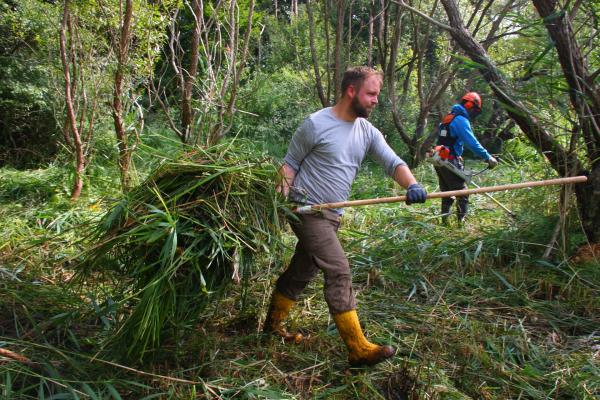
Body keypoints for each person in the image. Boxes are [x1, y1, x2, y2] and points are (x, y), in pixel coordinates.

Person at [263, 66, 427, 367]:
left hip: (332, 215)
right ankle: (357, 348)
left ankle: (271, 328)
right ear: (351, 91)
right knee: (338, 270)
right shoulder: (315, 124)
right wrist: (275, 204)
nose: (376, 100)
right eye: (371, 94)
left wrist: (413, 184)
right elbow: (289, 166)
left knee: (302, 270)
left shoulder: (367, 132)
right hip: (306, 210)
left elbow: (393, 163)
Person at [434, 92, 498, 224]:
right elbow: (471, 142)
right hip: (448, 159)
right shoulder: (461, 120)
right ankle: (461, 224)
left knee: (447, 192)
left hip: (439, 158)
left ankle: (444, 221)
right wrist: (488, 157)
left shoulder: (449, 117)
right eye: (475, 109)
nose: (474, 113)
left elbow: (446, 139)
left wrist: (458, 154)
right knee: (462, 193)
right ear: (469, 105)